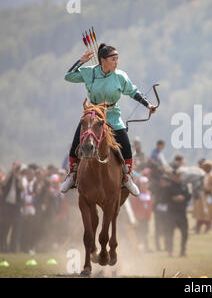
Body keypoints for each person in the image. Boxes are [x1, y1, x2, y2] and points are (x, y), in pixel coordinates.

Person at [60, 44, 157, 196]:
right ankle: (72, 174)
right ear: (103, 60)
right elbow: (68, 76)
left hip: (112, 115)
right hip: (93, 114)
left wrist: (148, 105)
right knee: (76, 142)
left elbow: (133, 92)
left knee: (126, 147)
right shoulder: (89, 72)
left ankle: (127, 177)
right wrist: (81, 61)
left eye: (117, 58)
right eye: (113, 59)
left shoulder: (120, 76)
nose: (116, 62)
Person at [0, 163, 24, 252]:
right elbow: (3, 184)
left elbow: (22, 187)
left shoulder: (20, 178)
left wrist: (18, 176)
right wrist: (10, 173)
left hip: (15, 206)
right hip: (6, 205)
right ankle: (3, 247)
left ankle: (13, 248)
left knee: (15, 227)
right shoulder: (8, 176)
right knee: (4, 226)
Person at [166, 173, 191, 257]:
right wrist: (173, 198)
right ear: (173, 176)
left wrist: (183, 197)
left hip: (182, 212)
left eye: (179, 176)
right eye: (176, 176)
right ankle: (170, 251)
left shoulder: (184, 185)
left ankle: (183, 251)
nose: (178, 177)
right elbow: (164, 197)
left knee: (185, 233)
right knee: (170, 233)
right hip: (172, 213)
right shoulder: (169, 186)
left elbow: (188, 196)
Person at [194, 160, 212, 234]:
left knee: (209, 210)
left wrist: (208, 188)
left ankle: (208, 226)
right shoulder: (201, 175)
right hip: (201, 195)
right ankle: (198, 227)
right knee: (200, 210)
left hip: (209, 195)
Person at [130, 176, 153, 253]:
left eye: (146, 184)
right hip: (139, 218)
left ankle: (146, 247)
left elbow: (149, 205)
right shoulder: (137, 193)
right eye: (143, 184)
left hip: (146, 217)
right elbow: (134, 206)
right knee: (139, 233)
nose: (145, 185)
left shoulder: (149, 193)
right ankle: (138, 248)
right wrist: (135, 216)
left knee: (145, 232)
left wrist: (149, 215)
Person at [153, 175, 170, 252]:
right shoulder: (157, 189)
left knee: (166, 229)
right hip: (158, 212)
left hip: (166, 212)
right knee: (157, 230)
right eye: (161, 181)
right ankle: (158, 246)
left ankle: (167, 246)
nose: (162, 183)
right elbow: (155, 200)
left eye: (164, 181)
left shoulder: (169, 190)